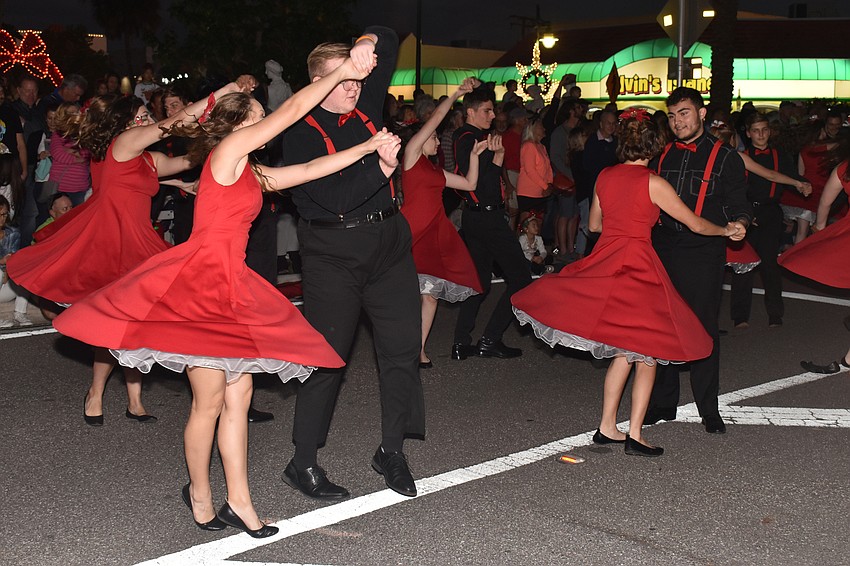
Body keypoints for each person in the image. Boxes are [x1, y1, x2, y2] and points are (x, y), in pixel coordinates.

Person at [53, 55, 388, 537]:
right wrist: (341, 75)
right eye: (257, 112)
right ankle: (201, 496)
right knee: (208, 402)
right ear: (240, 122)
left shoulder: (250, 171)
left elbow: (311, 168)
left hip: (232, 283)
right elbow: (291, 110)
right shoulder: (227, 152)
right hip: (200, 283)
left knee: (240, 395)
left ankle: (241, 501)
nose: (265, 117)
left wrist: (369, 148)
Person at [512, 109, 744, 456]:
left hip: (610, 257)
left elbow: (593, 226)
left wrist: (622, 225)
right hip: (638, 264)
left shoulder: (605, 176)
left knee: (625, 349)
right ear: (653, 148)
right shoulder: (654, 183)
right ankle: (635, 433)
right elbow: (695, 224)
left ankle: (608, 426)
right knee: (647, 351)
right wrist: (726, 229)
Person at [8, 87, 245, 425]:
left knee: (136, 323)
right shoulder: (123, 144)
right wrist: (224, 93)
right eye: (145, 115)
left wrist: (225, 140)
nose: (151, 118)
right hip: (110, 243)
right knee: (113, 323)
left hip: (139, 246)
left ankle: (134, 400)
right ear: (131, 120)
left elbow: (187, 160)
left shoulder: (147, 160)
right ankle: (96, 392)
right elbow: (174, 123)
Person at [281, 27, 423, 500]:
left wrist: (365, 43)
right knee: (328, 359)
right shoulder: (298, 133)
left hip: (387, 243)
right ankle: (302, 461)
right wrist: (380, 168)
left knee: (402, 350)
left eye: (358, 77)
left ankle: (392, 450)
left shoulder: (365, 107)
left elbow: (388, 30)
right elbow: (332, 199)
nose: (354, 85)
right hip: (332, 252)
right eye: (342, 79)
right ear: (318, 81)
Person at [646, 88, 751, 435]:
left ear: (702, 113)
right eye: (673, 116)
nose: (678, 122)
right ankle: (663, 402)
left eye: (685, 114)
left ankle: (709, 408)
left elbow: (740, 202)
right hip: (663, 244)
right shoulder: (660, 156)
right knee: (662, 323)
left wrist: (740, 224)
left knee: (703, 325)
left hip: (704, 248)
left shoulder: (726, 157)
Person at [400, 78, 487, 369]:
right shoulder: (411, 157)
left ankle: (418, 350)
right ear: (421, 138)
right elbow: (436, 117)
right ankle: (400, 346)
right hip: (410, 233)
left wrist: (474, 156)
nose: (438, 141)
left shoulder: (436, 171)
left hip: (432, 236)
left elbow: (470, 183)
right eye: (434, 138)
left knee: (431, 297)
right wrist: (456, 95)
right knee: (405, 296)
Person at [451, 88, 532, 361]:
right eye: (487, 110)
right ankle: (489, 338)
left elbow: (486, 180)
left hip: (482, 216)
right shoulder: (467, 138)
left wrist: (496, 158)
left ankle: (462, 342)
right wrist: (496, 158)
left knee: (479, 282)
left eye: (493, 109)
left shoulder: (479, 138)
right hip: (484, 217)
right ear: (470, 112)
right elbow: (479, 184)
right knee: (521, 277)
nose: (493, 115)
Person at [712, 116, 812, 328]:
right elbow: (750, 184)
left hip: (770, 212)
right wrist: (745, 214)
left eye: (764, 130)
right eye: (755, 130)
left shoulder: (779, 155)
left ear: (770, 131)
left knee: (770, 265)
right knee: (744, 265)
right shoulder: (741, 156)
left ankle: (775, 314)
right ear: (748, 133)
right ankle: (740, 317)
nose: (760, 134)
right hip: (746, 213)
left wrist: (803, 185)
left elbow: (788, 176)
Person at [0, 194, 31, 328]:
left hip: (5, 286)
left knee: (27, 270)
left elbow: (13, 260)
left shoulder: (13, 233)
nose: (2, 219)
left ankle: (20, 313)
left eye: (4, 215)